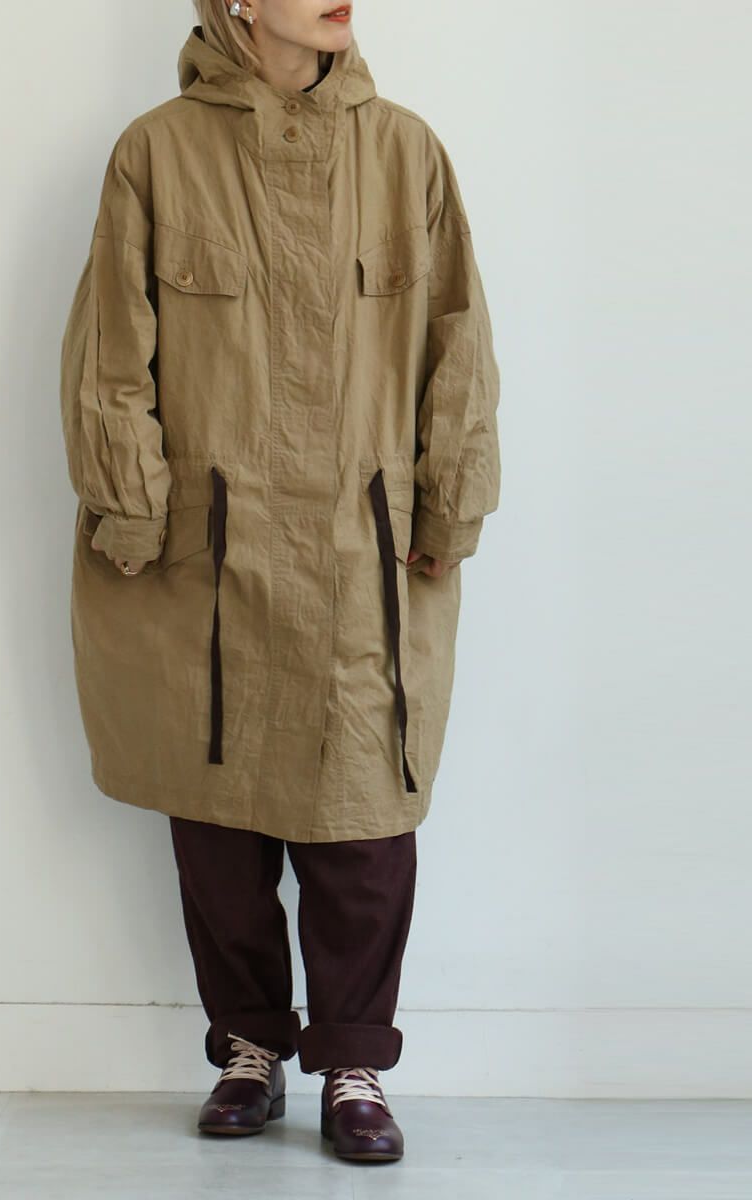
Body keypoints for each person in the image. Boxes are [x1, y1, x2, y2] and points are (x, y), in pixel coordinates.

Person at [58, 0, 500, 1165]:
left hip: (364, 546)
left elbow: (459, 340)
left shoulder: (404, 149)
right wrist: (131, 504)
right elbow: (111, 353)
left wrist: (449, 498)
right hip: (212, 548)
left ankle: (354, 1060)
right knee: (217, 815)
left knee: (364, 816)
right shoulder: (158, 151)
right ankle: (248, 1047)